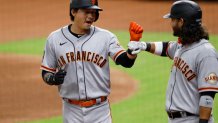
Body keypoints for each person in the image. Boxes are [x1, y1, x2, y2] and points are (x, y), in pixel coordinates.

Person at [40, 0, 143, 123]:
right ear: (73, 12)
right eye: (86, 12)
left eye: (94, 12)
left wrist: (133, 48)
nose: (91, 16)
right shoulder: (54, 39)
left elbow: (126, 62)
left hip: (100, 111)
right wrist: (53, 79)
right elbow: (46, 72)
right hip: (71, 111)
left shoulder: (106, 37)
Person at [128, 0, 218, 123]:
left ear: (181, 22)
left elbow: (208, 96)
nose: (171, 23)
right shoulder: (183, 45)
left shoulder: (206, 53)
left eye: (173, 19)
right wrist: (143, 45)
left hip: (192, 120)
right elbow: (166, 48)